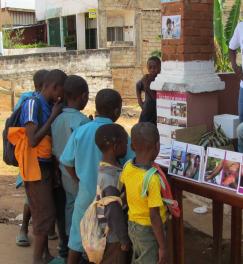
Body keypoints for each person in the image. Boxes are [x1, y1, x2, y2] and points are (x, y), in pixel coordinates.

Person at [60, 89, 134, 264]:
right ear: (117, 111)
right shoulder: (120, 134)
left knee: (79, 235)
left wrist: (78, 180)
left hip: (85, 192)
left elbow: (66, 161)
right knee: (109, 236)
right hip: (111, 194)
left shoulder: (81, 130)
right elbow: (131, 161)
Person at [8, 69, 67, 264]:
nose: (61, 96)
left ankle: (45, 255)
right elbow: (32, 139)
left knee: (46, 214)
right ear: (54, 87)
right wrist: (53, 116)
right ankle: (37, 260)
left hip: (45, 166)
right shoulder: (33, 104)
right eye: (61, 91)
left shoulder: (47, 103)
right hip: (35, 168)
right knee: (44, 215)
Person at [51, 75, 90, 258]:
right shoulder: (82, 121)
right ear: (83, 96)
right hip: (78, 174)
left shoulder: (56, 119)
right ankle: (80, 248)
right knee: (81, 211)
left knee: (70, 206)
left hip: (63, 173)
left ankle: (66, 245)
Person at [120, 122, 167, 264]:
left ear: (132, 147)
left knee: (139, 257)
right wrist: (163, 247)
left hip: (133, 224)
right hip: (149, 230)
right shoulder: (152, 179)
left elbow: (126, 194)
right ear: (157, 146)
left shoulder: (128, 166)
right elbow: (154, 216)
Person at [15, 69, 49, 248]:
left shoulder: (47, 102)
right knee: (32, 199)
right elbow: (31, 137)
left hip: (44, 159)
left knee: (41, 201)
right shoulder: (29, 101)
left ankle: (43, 233)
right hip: (30, 158)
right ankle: (24, 229)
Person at [95, 124, 131, 264]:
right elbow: (114, 211)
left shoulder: (106, 167)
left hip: (110, 233)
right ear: (116, 146)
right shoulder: (111, 178)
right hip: (114, 237)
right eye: (125, 144)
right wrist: (123, 239)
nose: (127, 147)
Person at [136, 56, 161, 124]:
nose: (152, 69)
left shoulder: (161, 79)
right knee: (143, 129)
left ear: (160, 67)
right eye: (150, 67)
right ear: (147, 68)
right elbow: (138, 86)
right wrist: (140, 102)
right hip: (147, 110)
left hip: (158, 109)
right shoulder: (145, 78)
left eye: (155, 67)